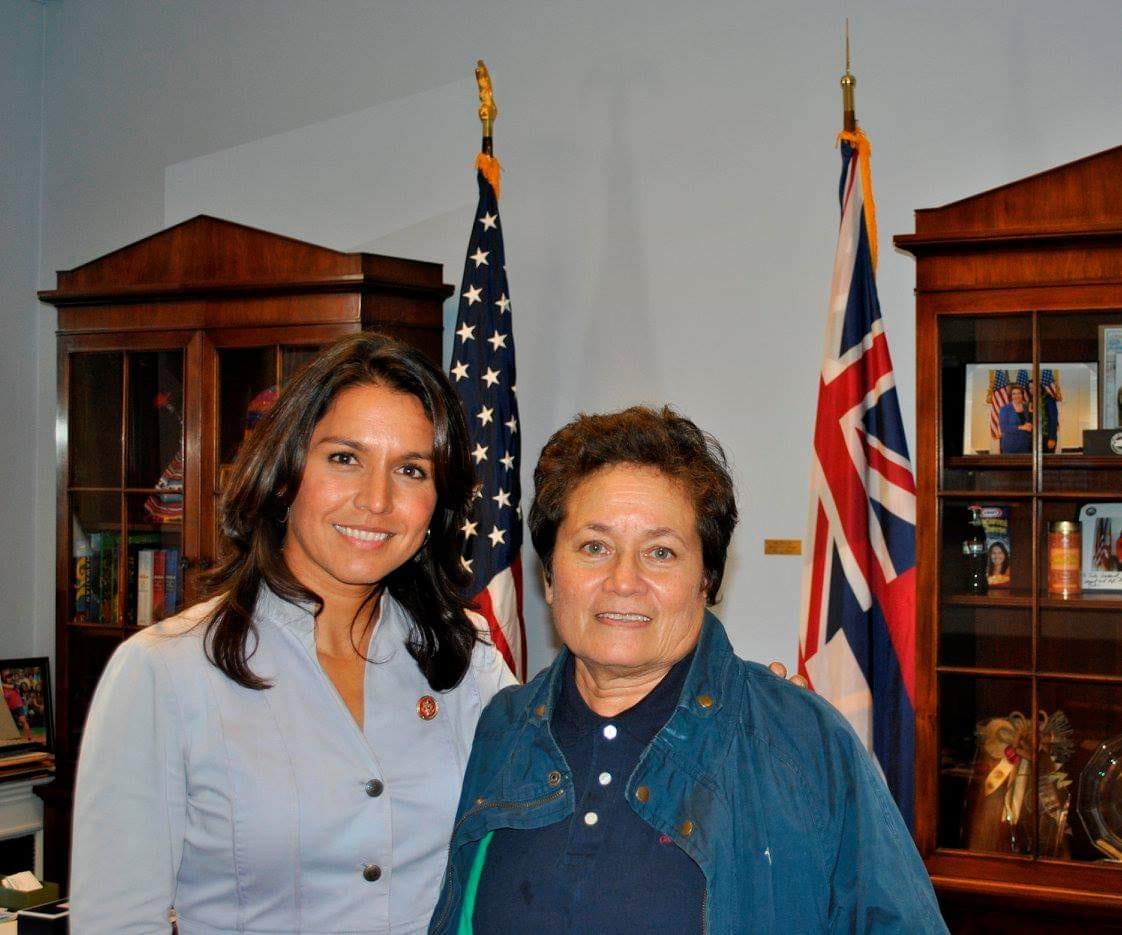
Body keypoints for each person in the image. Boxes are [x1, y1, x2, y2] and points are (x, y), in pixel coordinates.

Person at [431, 406, 947, 933]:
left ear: (707, 583)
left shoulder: (803, 743)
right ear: (549, 577)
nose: (623, 580)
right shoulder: (502, 727)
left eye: (660, 552)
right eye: (594, 546)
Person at [71, 334, 516, 934]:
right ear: (286, 475)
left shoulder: (470, 659)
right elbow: (116, 922)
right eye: (343, 458)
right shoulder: (163, 672)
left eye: (411, 470)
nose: (377, 500)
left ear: (437, 504)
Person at [998, 384, 1033, 453]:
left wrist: (1030, 425)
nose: (1017, 396)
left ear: (1022, 395)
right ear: (1011, 396)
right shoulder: (1005, 409)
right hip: (1010, 446)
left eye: (1019, 393)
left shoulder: (1026, 407)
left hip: (1025, 445)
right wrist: (1021, 427)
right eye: (1014, 394)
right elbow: (1003, 427)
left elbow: (1029, 422)